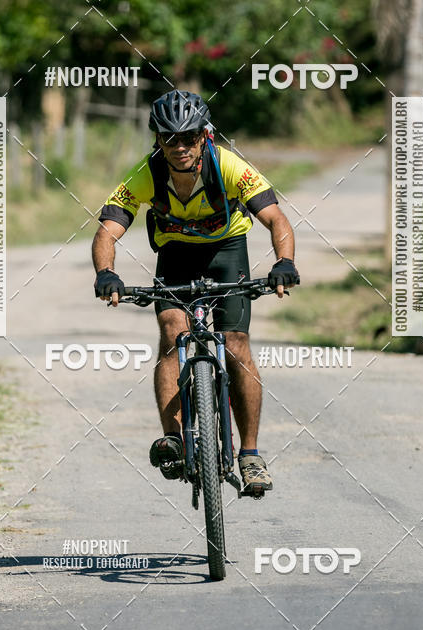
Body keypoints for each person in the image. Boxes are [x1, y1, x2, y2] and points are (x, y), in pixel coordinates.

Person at [92, 90, 299, 494]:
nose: (181, 146)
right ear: (158, 141)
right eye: (171, 139)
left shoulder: (228, 165)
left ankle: (251, 454)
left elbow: (277, 219)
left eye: (190, 137)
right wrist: (106, 273)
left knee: (236, 342)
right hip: (176, 254)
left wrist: (284, 263)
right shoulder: (146, 173)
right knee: (172, 333)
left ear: (205, 135)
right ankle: (174, 440)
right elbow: (106, 231)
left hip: (227, 250)